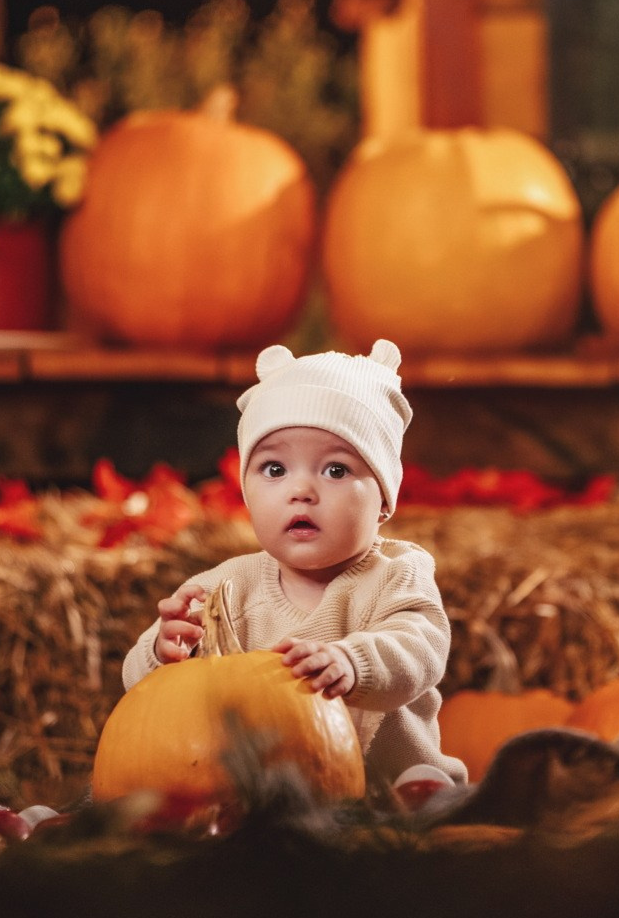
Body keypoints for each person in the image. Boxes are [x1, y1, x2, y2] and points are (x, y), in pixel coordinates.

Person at [122, 339, 467, 797]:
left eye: (336, 471)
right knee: (129, 795)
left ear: (384, 499)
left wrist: (353, 661)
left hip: (386, 792)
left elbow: (420, 651)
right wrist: (161, 654)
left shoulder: (396, 574)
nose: (301, 489)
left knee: (427, 796)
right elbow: (142, 698)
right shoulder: (224, 588)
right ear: (246, 494)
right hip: (261, 793)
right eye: (274, 469)